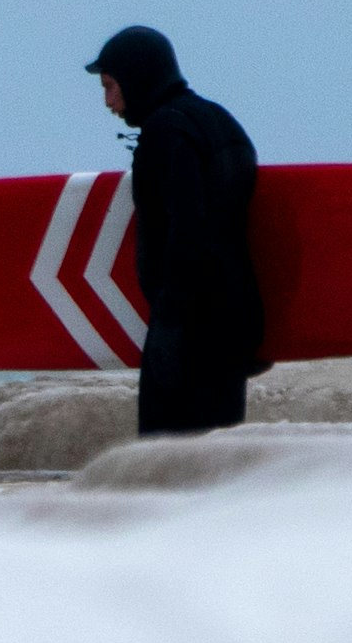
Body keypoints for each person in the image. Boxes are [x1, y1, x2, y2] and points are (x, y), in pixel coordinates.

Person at [87, 25, 265, 435]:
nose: (108, 101)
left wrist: (169, 325)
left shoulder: (166, 134)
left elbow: (189, 229)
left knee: (165, 470)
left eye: (110, 85)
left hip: (190, 328)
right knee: (214, 468)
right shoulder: (220, 120)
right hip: (233, 320)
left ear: (136, 76)